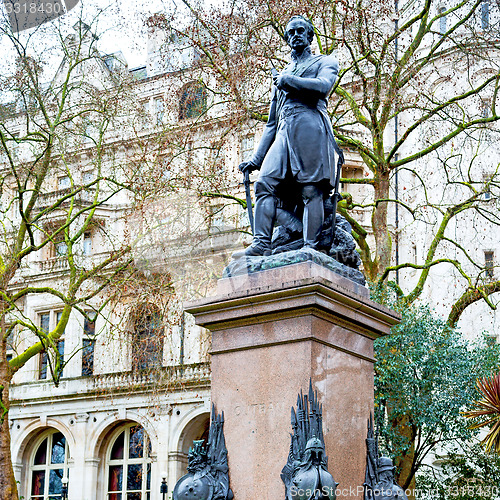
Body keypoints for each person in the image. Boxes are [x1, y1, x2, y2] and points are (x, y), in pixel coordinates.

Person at [237, 15, 340, 257]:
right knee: (264, 184)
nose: (296, 35)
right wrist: (256, 159)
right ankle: (262, 243)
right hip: (284, 131)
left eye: (300, 30)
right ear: (287, 38)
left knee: (311, 189)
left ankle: (310, 247)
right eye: (291, 32)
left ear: (310, 35)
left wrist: (289, 80)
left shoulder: (324, 61)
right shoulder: (281, 75)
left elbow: (324, 87)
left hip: (310, 126)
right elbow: (272, 122)